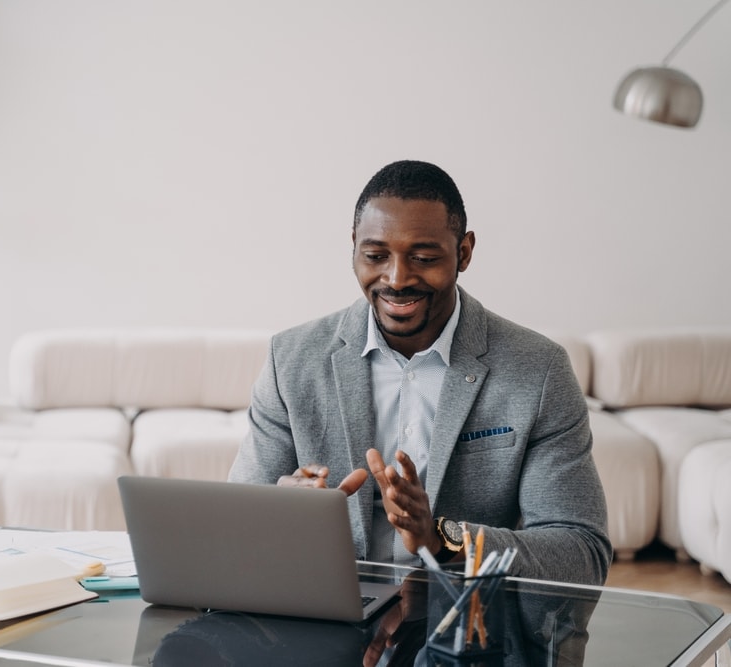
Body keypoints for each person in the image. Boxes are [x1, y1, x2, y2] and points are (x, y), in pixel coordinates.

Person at [228, 160, 611, 585]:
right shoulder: (291, 359)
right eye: (375, 256)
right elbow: (236, 531)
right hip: (326, 618)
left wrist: (440, 536)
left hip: (462, 630)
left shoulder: (538, 371)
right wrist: (279, 514)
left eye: (424, 258)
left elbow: (581, 551)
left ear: (463, 252)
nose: (397, 278)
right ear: (354, 246)